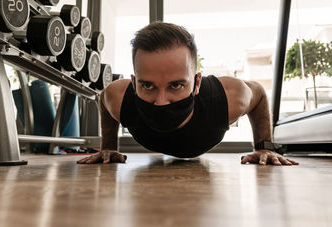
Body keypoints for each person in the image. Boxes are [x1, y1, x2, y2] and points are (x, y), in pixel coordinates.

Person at [77, 22, 298, 166]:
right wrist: (108, 147)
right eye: (148, 86)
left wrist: (263, 148)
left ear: (197, 82)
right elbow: (103, 98)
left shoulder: (226, 98)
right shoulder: (119, 97)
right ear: (134, 83)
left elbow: (258, 94)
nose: (161, 102)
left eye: (175, 86)